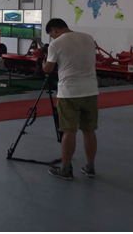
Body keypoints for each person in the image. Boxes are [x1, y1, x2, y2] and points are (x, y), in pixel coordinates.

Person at [42, 18, 99, 181]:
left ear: (54, 30)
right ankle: (90, 167)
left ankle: (65, 169)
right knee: (89, 130)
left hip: (69, 92)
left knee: (69, 131)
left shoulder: (56, 44)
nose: (52, 38)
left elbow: (48, 69)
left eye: (51, 34)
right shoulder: (88, 38)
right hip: (91, 91)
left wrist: (43, 64)